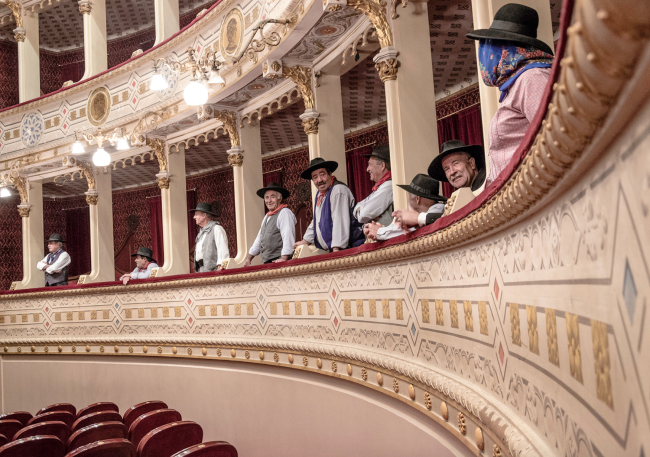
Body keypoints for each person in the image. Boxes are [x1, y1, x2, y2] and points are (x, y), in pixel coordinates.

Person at [466, 3, 554, 186]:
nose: (485, 51)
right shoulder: (517, 82)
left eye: (492, 44)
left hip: (530, 190)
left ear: (507, 48)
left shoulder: (532, 77)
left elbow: (553, 139)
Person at [393, 140, 485, 229]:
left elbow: (460, 216)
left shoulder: (485, 182)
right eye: (447, 169)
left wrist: (418, 218)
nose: (452, 172)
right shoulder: (461, 195)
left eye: (456, 163)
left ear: (472, 163)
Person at [293, 158, 364, 252]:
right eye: (315, 177)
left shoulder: (338, 190)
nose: (319, 180)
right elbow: (317, 221)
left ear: (330, 174)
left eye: (322, 175)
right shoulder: (320, 195)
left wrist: (336, 249)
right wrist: (305, 241)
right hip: (334, 250)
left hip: (349, 249)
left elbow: (339, 220)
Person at [365, 174, 447, 241]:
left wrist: (379, 231)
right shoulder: (430, 213)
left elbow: (407, 231)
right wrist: (381, 229)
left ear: (417, 199)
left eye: (409, 194)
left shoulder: (437, 211)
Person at [245, 182, 297, 266]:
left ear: (280, 198)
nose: (269, 201)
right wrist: (248, 258)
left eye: (272, 197)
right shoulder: (267, 216)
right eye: (266, 197)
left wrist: (283, 258)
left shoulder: (285, 213)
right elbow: (259, 239)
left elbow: (287, 236)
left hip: (280, 262)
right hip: (268, 262)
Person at [353, 145, 393, 227]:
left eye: (370, 164)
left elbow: (363, 215)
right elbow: (358, 206)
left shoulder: (388, 186)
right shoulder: (381, 186)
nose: (367, 169)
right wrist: (360, 210)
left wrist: (361, 211)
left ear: (382, 166)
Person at [190, 202, 229, 272]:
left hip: (213, 271)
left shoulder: (216, 229)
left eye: (196, 214)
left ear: (204, 215)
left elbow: (223, 252)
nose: (194, 217)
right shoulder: (201, 233)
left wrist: (221, 270)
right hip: (201, 270)